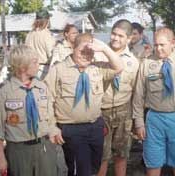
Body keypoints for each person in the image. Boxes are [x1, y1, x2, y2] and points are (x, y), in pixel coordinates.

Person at [44, 33, 124, 176]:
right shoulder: (59, 70)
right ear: (73, 48)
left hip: (95, 127)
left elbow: (119, 67)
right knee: (80, 170)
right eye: (82, 51)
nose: (86, 56)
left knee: (94, 167)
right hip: (71, 129)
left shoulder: (97, 68)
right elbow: (46, 99)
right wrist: (51, 126)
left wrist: (104, 48)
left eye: (90, 53)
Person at [133, 27, 175, 176]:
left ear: (173, 43)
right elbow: (138, 95)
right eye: (156, 45)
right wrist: (139, 122)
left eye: (162, 45)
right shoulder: (146, 63)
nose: (158, 48)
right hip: (154, 118)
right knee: (152, 162)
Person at [0, 45, 59, 176]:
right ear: (22, 67)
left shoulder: (42, 87)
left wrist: (54, 131)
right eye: (35, 62)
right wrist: (0, 157)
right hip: (18, 151)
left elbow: (50, 118)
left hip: (43, 148)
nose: (39, 65)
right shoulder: (4, 91)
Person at [97, 19, 139, 176]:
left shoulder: (134, 62)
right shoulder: (99, 55)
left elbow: (135, 91)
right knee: (102, 156)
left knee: (122, 154)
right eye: (113, 34)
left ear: (129, 39)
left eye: (121, 36)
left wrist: (135, 119)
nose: (115, 38)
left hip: (123, 112)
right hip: (101, 112)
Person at [25, 8, 56, 80]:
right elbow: (51, 55)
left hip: (30, 69)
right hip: (43, 70)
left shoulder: (29, 34)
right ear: (47, 20)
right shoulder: (47, 34)